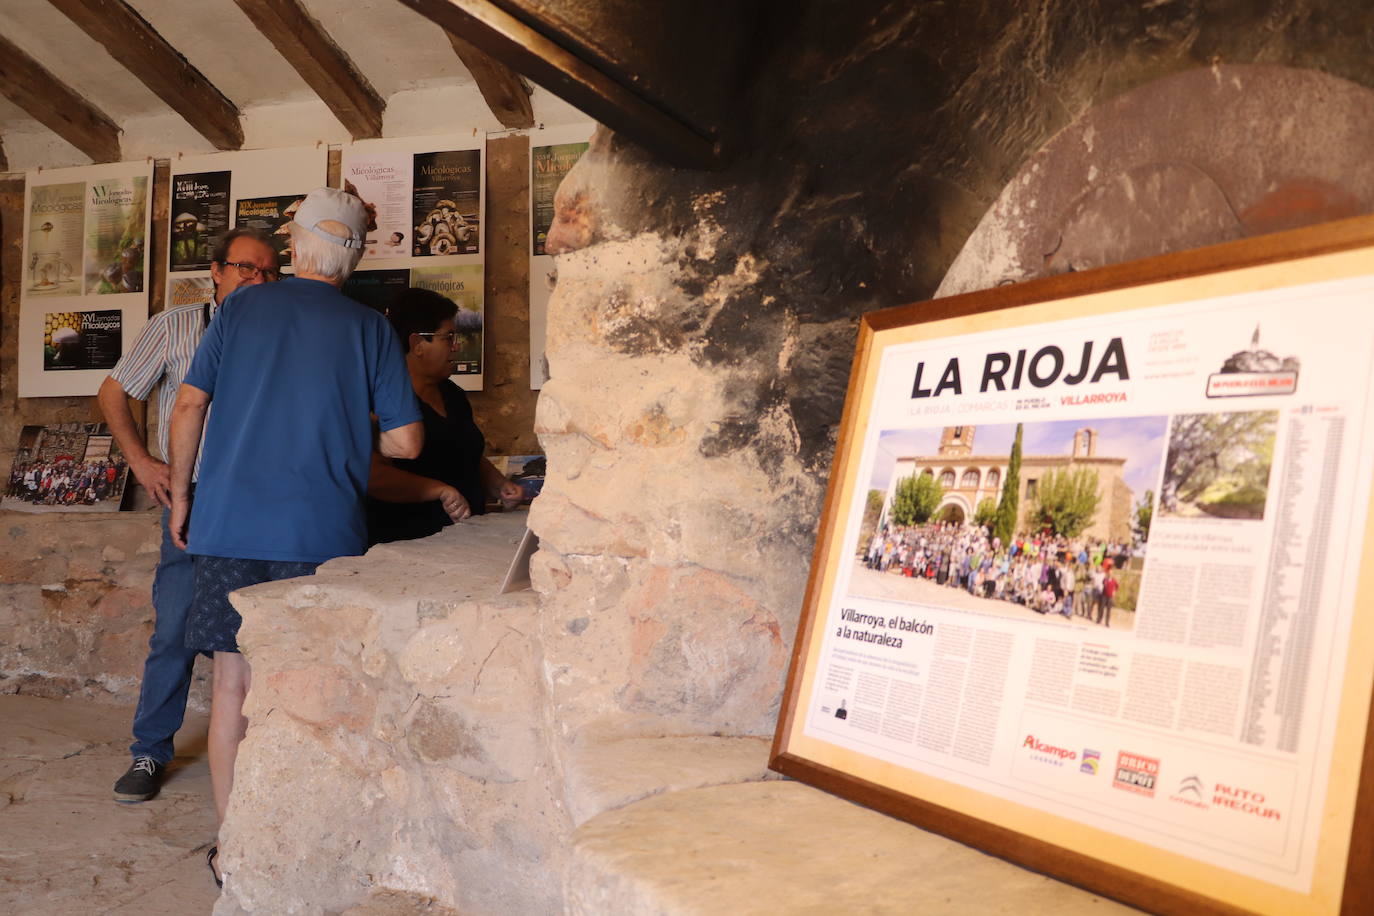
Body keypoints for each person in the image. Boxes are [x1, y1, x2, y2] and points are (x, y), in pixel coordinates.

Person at [167, 188, 422, 885]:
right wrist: (345, 413)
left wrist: (181, 496)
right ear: (355, 257)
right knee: (315, 688)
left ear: (295, 248)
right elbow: (405, 442)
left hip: (229, 522)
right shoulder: (370, 327)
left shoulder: (241, 306)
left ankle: (237, 846)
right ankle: (310, 840)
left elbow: (190, 404)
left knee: (232, 688)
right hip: (322, 533)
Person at [99, 228, 281, 804]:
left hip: (261, 500)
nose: (257, 280)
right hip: (191, 497)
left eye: (268, 272)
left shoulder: (283, 332)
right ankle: (150, 751)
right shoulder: (174, 327)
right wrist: (142, 461)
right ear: (216, 273)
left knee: (264, 631)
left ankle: (262, 754)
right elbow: (113, 392)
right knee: (175, 627)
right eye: (246, 269)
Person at [366, 287, 523, 543]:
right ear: (417, 344)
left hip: (465, 540)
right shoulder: (382, 400)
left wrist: (498, 485)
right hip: (407, 544)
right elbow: (374, 477)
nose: (456, 346)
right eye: (448, 338)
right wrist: (437, 491)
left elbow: (461, 451)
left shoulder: (453, 394)